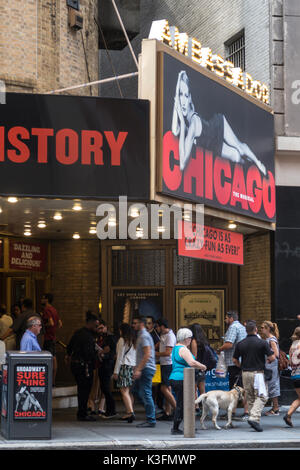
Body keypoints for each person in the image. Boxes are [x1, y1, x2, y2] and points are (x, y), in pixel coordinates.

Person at [172, 70, 267, 175]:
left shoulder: (193, 125)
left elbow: (182, 164)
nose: (183, 101)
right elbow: (175, 130)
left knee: (238, 146)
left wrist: (180, 117)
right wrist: (177, 108)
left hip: (217, 126)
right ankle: (253, 168)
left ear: (189, 98)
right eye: (180, 95)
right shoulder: (187, 119)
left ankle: (258, 163)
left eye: (186, 95)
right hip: (214, 144)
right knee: (236, 156)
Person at [233, 320, 275, 432]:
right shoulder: (262, 343)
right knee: (262, 396)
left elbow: (234, 360)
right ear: (256, 330)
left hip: (245, 373)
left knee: (250, 396)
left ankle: (254, 421)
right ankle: (254, 417)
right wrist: (267, 361)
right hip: (258, 373)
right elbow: (272, 358)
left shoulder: (240, 344)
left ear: (246, 331)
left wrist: (241, 366)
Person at [169, 328, 207, 435]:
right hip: (182, 379)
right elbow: (192, 363)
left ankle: (188, 426)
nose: (191, 340)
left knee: (183, 403)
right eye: (190, 338)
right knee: (183, 404)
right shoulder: (183, 349)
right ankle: (176, 428)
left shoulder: (175, 348)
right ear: (186, 338)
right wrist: (203, 366)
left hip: (174, 378)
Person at [66, 311, 100, 421]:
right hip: (84, 366)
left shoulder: (78, 333)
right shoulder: (88, 337)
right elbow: (88, 353)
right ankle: (82, 413)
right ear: (90, 323)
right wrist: (97, 355)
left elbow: (69, 347)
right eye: (96, 326)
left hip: (75, 365)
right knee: (85, 390)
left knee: (82, 389)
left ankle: (82, 411)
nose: (97, 328)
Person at [131, 315, 157, 428]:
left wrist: (138, 369)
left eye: (135, 323)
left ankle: (151, 419)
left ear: (141, 324)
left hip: (146, 368)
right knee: (135, 391)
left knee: (145, 393)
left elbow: (147, 354)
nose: (133, 325)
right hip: (143, 368)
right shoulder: (141, 336)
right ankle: (152, 410)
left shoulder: (144, 336)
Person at [113, 323, 136, 423]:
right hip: (132, 366)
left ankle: (130, 412)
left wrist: (115, 372)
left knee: (124, 391)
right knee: (129, 391)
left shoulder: (122, 340)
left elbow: (119, 357)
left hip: (124, 366)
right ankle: (129, 411)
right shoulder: (133, 340)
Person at [155, 318, 177, 420]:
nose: (156, 328)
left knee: (164, 388)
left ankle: (177, 409)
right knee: (168, 389)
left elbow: (168, 352)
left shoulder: (170, 336)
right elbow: (159, 345)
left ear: (162, 326)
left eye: (157, 326)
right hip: (164, 364)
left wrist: (155, 354)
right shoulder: (163, 335)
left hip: (168, 364)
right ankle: (168, 412)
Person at [41, 293, 62, 387]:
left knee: (49, 358)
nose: (41, 299)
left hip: (48, 337)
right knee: (54, 357)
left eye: (43, 298)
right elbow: (60, 323)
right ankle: (53, 381)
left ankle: (49, 381)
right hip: (53, 337)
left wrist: (42, 326)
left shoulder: (47, 310)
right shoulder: (54, 310)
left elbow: (51, 323)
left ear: (47, 300)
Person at [97, 319, 117, 419]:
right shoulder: (102, 337)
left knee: (106, 388)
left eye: (101, 328)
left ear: (105, 327)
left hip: (107, 364)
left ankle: (111, 410)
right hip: (103, 364)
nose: (100, 330)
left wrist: (104, 354)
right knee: (104, 388)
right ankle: (110, 409)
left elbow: (113, 352)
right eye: (98, 328)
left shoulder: (110, 337)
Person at [260, 321, 281, 416]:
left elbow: (276, 354)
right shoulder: (268, 339)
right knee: (270, 385)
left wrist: (268, 359)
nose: (261, 329)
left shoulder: (272, 339)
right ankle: (274, 407)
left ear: (268, 328)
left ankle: (276, 408)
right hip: (269, 366)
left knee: (273, 385)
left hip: (271, 367)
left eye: (262, 327)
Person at [189, 323, 209, 413]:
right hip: (202, 368)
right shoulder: (204, 341)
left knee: (193, 390)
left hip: (196, 368)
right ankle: (205, 408)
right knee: (202, 390)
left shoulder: (194, 341)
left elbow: (194, 356)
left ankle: (196, 406)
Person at [283, 326, 300, 427]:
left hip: (294, 375)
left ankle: (288, 415)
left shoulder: (292, 345)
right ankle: (288, 415)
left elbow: (289, 362)